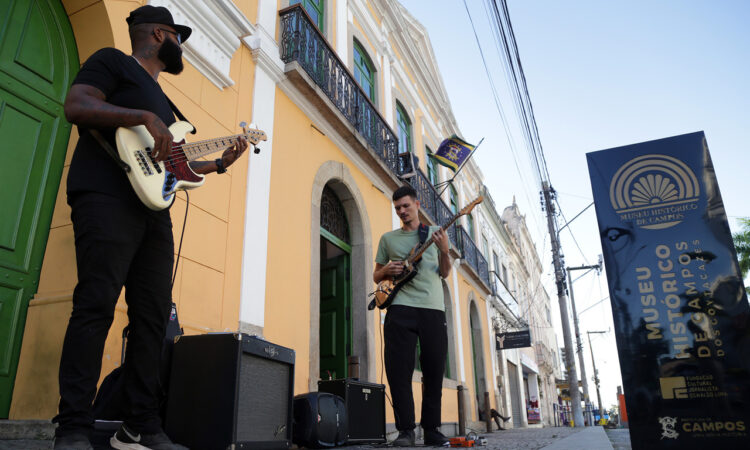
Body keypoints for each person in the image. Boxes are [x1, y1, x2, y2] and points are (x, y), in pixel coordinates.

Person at [53, 6, 248, 450]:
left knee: (154, 317)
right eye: (179, 38)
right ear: (161, 34)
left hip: (154, 210)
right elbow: (76, 105)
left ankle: (139, 425)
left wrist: (218, 163)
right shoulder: (112, 62)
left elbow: (173, 166)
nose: (182, 47)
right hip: (104, 194)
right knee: (96, 304)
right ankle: (73, 427)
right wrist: (140, 117)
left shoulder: (169, 105)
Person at [374, 185, 452, 447]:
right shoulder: (388, 239)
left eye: (406, 206)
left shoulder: (435, 234)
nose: (402, 211)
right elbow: (376, 276)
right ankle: (406, 431)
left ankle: (431, 429)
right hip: (400, 308)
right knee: (398, 370)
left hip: (432, 308)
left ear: (418, 205)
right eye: (398, 208)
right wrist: (386, 268)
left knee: (433, 369)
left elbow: (445, 272)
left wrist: (443, 250)